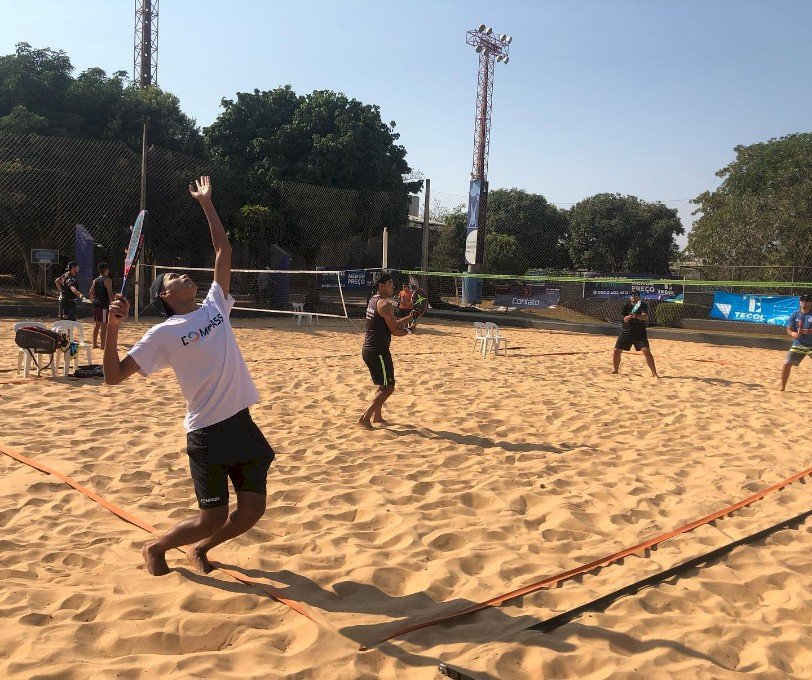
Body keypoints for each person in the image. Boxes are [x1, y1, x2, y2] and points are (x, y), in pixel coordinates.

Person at [103, 176, 275, 577]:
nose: (182, 275)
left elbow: (223, 249)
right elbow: (113, 376)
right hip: (207, 433)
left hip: (241, 423)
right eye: (173, 277)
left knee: (252, 510)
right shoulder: (162, 334)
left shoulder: (215, 305)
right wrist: (112, 329)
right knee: (211, 517)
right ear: (165, 295)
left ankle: (201, 550)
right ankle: (156, 546)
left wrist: (206, 203)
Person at [357, 272, 415, 429]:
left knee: (382, 384)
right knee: (389, 387)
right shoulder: (385, 305)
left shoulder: (373, 301)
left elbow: (392, 323)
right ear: (381, 285)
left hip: (370, 350)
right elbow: (395, 331)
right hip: (378, 351)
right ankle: (364, 418)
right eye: (389, 283)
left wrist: (409, 318)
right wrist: (410, 331)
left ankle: (377, 416)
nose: (393, 286)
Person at [612, 290, 658, 378]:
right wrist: (625, 318)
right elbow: (621, 316)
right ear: (630, 297)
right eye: (632, 295)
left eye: (635, 294)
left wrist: (635, 316)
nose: (633, 296)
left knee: (646, 352)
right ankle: (615, 370)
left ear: (639, 296)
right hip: (626, 331)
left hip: (639, 332)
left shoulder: (642, 305)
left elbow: (644, 317)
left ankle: (654, 373)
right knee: (616, 351)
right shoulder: (626, 305)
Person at [780, 294, 812, 391]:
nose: (804, 302)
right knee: (787, 364)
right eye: (802, 300)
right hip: (799, 343)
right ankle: (783, 387)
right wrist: (793, 333)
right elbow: (788, 329)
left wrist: (807, 331)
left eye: (807, 300)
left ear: (810, 302)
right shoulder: (795, 314)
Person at [89, 262, 114, 349]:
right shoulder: (108, 280)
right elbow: (110, 294)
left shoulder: (95, 280)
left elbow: (90, 292)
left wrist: (92, 300)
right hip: (103, 305)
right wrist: (113, 303)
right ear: (106, 270)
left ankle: (94, 344)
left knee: (97, 325)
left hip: (96, 304)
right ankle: (103, 346)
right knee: (104, 325)